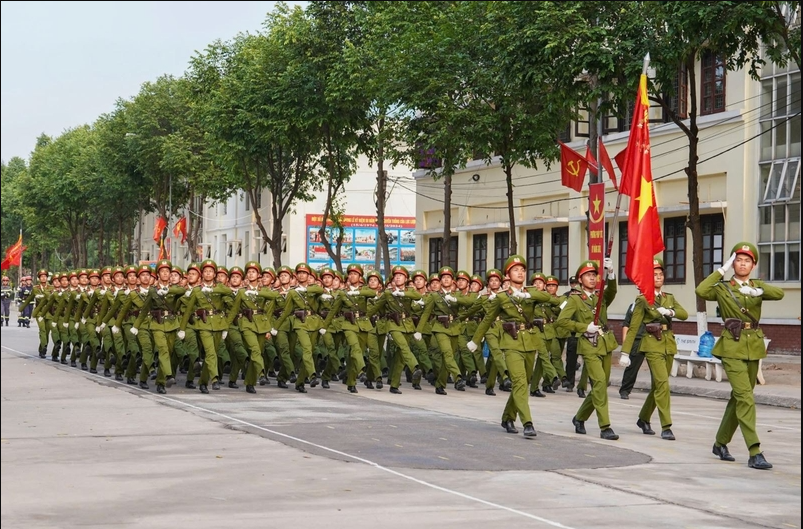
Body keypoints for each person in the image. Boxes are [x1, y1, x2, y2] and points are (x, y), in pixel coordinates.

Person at [695, 242, 784, 470]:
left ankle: (720, 443)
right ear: (733, 263)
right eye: (738, 260)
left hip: (753, 345)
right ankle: (754, 451)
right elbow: (701, 290)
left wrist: (758, 291)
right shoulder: (723, 287)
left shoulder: (757, 286)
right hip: (732, 346)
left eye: (747, 261)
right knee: (745, 398)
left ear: (753, 265)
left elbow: (780, 293)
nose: (742, 264)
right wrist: (720, 271)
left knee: (739, 398)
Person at [467, 255, 558, 438]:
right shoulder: (501, 297)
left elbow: (552, 299)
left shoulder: (531, 293)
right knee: (519, 382)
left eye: (523, 270)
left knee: (522, 384)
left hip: (530, 342)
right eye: (516, 270)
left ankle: (508, 417)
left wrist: (526, 294)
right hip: (511, 342)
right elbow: (487, 320)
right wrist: (475, 341)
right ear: (508, 274)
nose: (520, 272)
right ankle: (527, 423)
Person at [620, 258, 688, 440]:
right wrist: (625, 352)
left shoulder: (669, 298)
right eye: (654, 275)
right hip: (651, 344)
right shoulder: (643, 299)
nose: (658, 277)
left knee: (658, 385)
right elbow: (634, 327)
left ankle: (643, 418)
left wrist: (670, 312)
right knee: (663, 385)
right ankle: (666, 426)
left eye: (660, 274)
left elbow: (684, 314)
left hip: (668, 344)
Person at [556, 258, 620, 440]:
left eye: (594, 275)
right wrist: (583, 327)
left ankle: (580, 417)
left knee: (602, 385)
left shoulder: (601, 296)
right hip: (589, 343)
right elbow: (562, 321)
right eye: (588, 276)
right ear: (580, 279)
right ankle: (605, 427)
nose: (592, 278)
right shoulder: (575, 299)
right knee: (599, 382)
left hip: (605, 342)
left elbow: (613, 291)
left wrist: (611, 273)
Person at [618, 299, 645, 399]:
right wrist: (625, 342)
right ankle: (625, 390)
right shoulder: (634, 305)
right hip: (637, 339)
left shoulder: (659, 304)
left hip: (653, 340)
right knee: (632, 367)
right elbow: (626, 323)